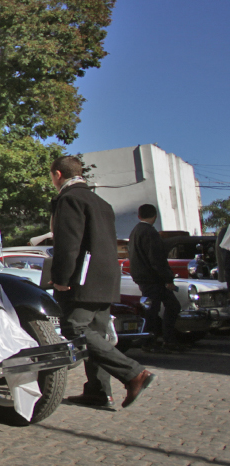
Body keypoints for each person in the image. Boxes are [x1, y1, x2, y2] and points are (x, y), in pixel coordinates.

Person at [50, 155, 155, 410]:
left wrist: (61, 279)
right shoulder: (101, 202)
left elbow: (68, 243)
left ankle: (133, 373)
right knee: (97, 333)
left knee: (74, 328)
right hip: (106, 277)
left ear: (58, 175)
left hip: (82, 278)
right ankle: (98, 391)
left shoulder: (69, 199)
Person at [128, 203, 180, 352]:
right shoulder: (150, 233)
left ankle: (154, 339)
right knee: (169, 307)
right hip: (153, 278)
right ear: (155, 216)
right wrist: (168, 279)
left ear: (139, 216)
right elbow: (156, 259)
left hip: (142, 276)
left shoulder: (135, 231)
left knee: (152, 309)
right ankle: (160, 340)